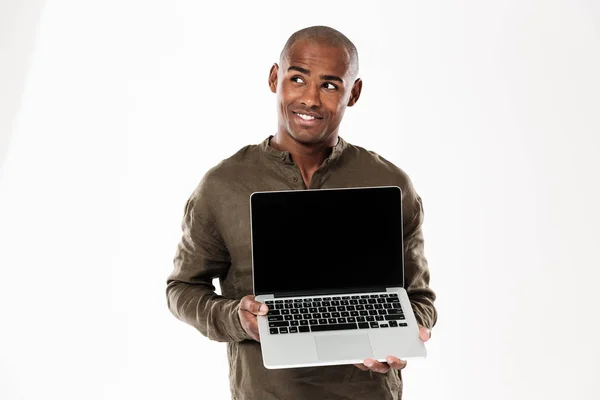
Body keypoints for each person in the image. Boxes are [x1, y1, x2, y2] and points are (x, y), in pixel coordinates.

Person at [166, 25, 437, 400]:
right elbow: (182, 288)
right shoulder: (223, 185)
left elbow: (418, 297)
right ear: (275, 78)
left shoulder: (389, 183)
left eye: (330, 85)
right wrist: (236, 318)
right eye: (297, 79)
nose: (310, 99)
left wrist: (404, 333)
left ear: (353, 93)